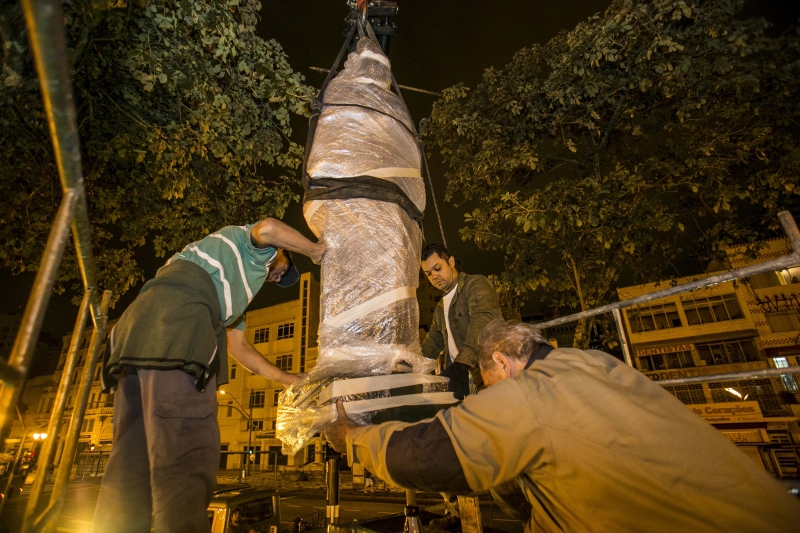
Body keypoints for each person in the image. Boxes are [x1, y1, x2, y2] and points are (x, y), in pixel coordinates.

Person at [324, 319, 800, 532]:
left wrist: (352, 438)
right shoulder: (596, 364)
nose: (489, 396)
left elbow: (430, 453)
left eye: (487, 384)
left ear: (501, 363)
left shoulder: (532, 395)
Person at [93, 219, 324, 533]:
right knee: (186, 457)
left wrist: (287, 379)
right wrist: (315, 251)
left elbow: (238, 348)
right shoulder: (257, 250)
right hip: (178, 325)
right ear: (280, 251)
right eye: (284, 269)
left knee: (131, 462)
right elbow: (269, 228)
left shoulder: (229, 296)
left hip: (136, 334)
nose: (279, 276)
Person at [420, 243, 503, 400]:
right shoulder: (440, 308)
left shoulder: (475, 284)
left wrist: (462, 365)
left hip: (488, 376)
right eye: (428, 274)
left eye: (437, 268)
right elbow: (432, 343)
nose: (434, 276)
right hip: (461, 383)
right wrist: (411, 367)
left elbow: (483, 323)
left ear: (451, 262)